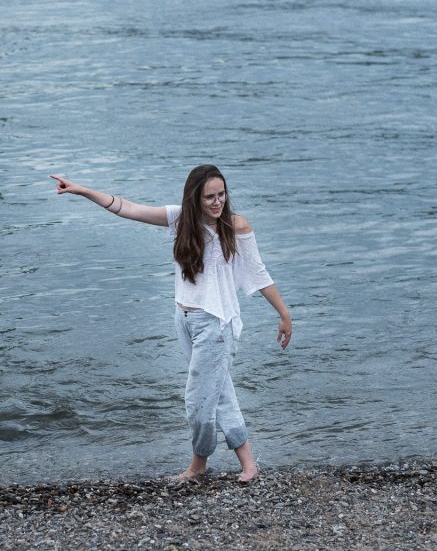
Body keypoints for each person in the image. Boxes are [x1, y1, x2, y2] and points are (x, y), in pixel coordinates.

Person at [51, 164, 292, 482]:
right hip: (185, 320)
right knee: (218, 393)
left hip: (216, 324)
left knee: (197, 399)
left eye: (221, 195)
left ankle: (197, 467)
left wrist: (284, 314)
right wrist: (83, 191)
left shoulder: (235, 226)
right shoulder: (180, 220)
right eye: (209, 197)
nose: (217, 202)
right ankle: (248, 464)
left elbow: (258, 273)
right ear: (195, 198)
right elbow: (128, 208)